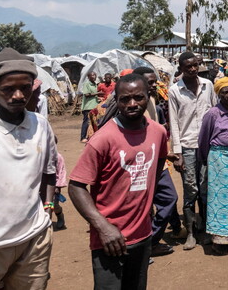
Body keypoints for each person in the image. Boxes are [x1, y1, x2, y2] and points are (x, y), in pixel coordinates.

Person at [0, 49, 57, 290]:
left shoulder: (41, 125)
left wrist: (47, 210)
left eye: (25, 88)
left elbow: (49, 171)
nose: (18, 95)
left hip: (33, 241)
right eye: (8, 89)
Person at [69, 73, 168, 290]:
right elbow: (76, 186)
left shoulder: (158, 132)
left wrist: (147, 199)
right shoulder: (103, 139)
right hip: (110, 240)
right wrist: (102, 226)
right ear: (117, 99)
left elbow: (159, 162)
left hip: (142, 234)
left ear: (148, 96)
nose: (132, 104)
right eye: (125, 99)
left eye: (138, 98)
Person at [168, 51, 218, 250]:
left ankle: (205, 229)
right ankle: (190, 233)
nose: (193, 69)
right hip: (187, 147)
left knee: (205, 189)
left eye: (195, 65)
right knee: (191, 190)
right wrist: (177, 153)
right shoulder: (175, 91)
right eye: (188, 66)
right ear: (181, 68)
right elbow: (173, 122)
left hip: (207, 146)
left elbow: (215, 113)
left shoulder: (208, 86)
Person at [132, 66, 181, 257]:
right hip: (138, 165)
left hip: (158, 162)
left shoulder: (151, 101)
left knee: (169, 198)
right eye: (150, 82)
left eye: (155, 82)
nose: (154, 85)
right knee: (141, 206)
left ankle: (150, 242)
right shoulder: (131, 107)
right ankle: (142, 246)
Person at [198, 77, 228, 255]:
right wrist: (204, 159)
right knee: (220, 200)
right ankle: (219, 242)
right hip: (219, 159)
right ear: (218, 94)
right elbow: (203, 138)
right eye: (224, 92)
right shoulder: (212, 113)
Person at [80, 72, 99, 142]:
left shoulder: (95, 84)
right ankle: (83, 137)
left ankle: (91, 136)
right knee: (87, 122)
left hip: (95, 106)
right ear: (88, 77)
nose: (94, 77)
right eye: (92, 75)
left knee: (94, 122)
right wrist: (98, 93)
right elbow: (87, 94)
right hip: (88, 106)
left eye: (95, 75)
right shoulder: (87, 84)